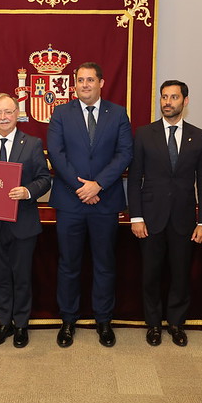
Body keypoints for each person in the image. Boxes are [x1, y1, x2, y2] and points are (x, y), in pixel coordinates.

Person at [47, 62, 133, 348]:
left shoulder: (118, 113)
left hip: (105, 202)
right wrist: (81, 187)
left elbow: (125, 153)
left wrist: (98, 185)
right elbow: (56, 154)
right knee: (68, 264)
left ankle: (103, 320)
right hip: (70, 202)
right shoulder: (61, 113)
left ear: (101, 83)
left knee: (104, 264)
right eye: (80, 80)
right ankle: (68, 320)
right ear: (74, 84)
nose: (85, 84)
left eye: (90, 80)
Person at [127, 80, 202, 347]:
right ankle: (153, 324)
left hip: (184, 219)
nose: (168, 102)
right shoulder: (144, 134)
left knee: (180, 274)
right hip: (150, 218)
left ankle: (176, 323)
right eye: (164, 97)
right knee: (150, 274)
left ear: (185, 101)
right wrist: (136, 217)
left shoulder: (199, 136)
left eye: (174, 97)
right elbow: (134, 179)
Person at [0, 93, 51, 348]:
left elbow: (44, 179)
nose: (3, 117)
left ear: (17, 114)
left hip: (23, 223)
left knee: (22, 277)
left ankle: (22, 325)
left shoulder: (33, 144)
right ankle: (4, 323)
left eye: (8, 112)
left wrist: (27, 191)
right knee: (0, 277)